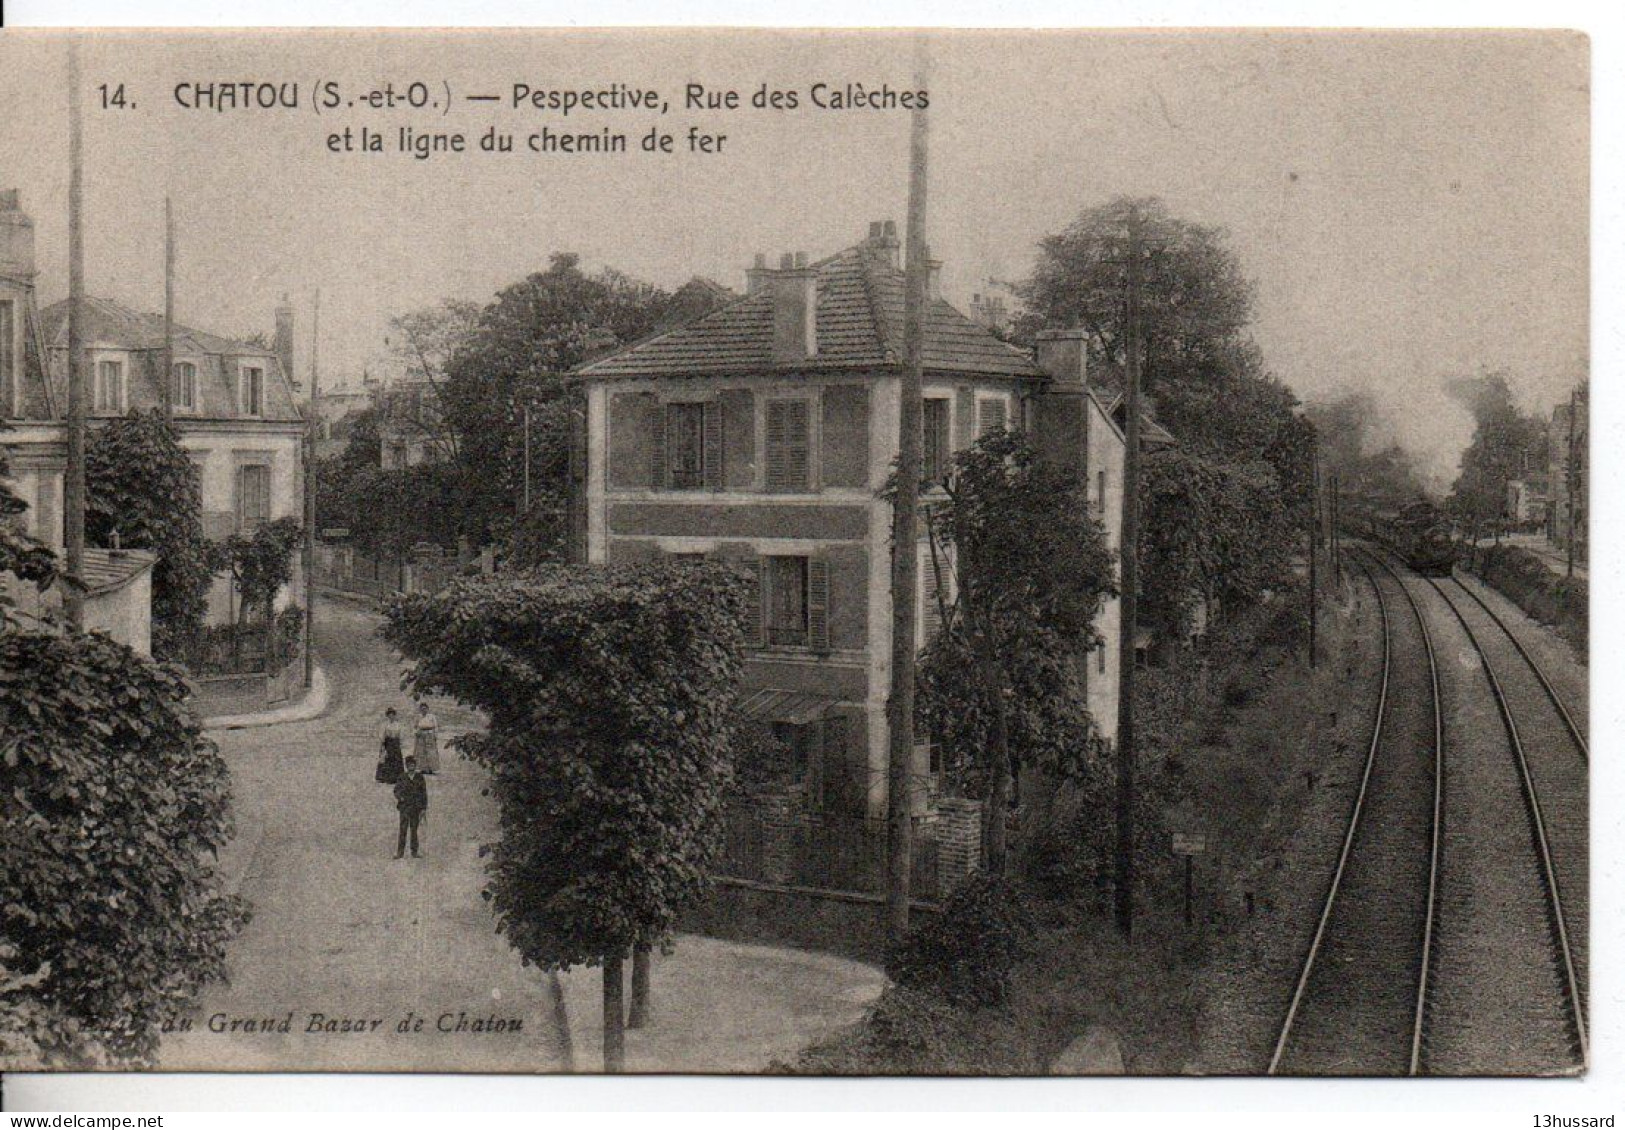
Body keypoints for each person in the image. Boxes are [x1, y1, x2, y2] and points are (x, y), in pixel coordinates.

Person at [393, 756, 428, 859]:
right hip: (404, 808)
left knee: (414, 830)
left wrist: (423, 808)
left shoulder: (420, 777)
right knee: (403, 830)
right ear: (406, 766)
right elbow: (396, 790)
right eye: (409, 765)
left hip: (416, 808)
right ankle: (400, 852)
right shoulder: (402, 777)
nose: (411, 766)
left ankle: (414, 852)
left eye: (413, 764)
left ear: (415, 765)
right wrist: (401, 798)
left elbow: (423, 793)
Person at [376, 706, 405, 785]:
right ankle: (385, 777)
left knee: (396, 759)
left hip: (395, 743)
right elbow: (382, 734)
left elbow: (401, 735)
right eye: (389, 714)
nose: (391, 716)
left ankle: (396, 777)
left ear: (395, 715)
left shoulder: (398, 725)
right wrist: (382, 743)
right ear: (387, 716)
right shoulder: (385, 724)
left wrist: (400, 743)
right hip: (388, 743)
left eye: (392, 714)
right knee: (386, 758)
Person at [412, 700, 441, 774]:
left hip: (430, 735)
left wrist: (435, 735)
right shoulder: (418, 717)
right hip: (421, 736)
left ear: (427, 709)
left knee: (431, 752)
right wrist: (416, 733)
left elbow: (436, 726)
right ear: (420, 710)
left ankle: (432, 769)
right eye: (422, 709)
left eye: (425, 709)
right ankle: (423, 769)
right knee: (421, 752)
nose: (423, 710)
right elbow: (414, 727)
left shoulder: (431, 717)